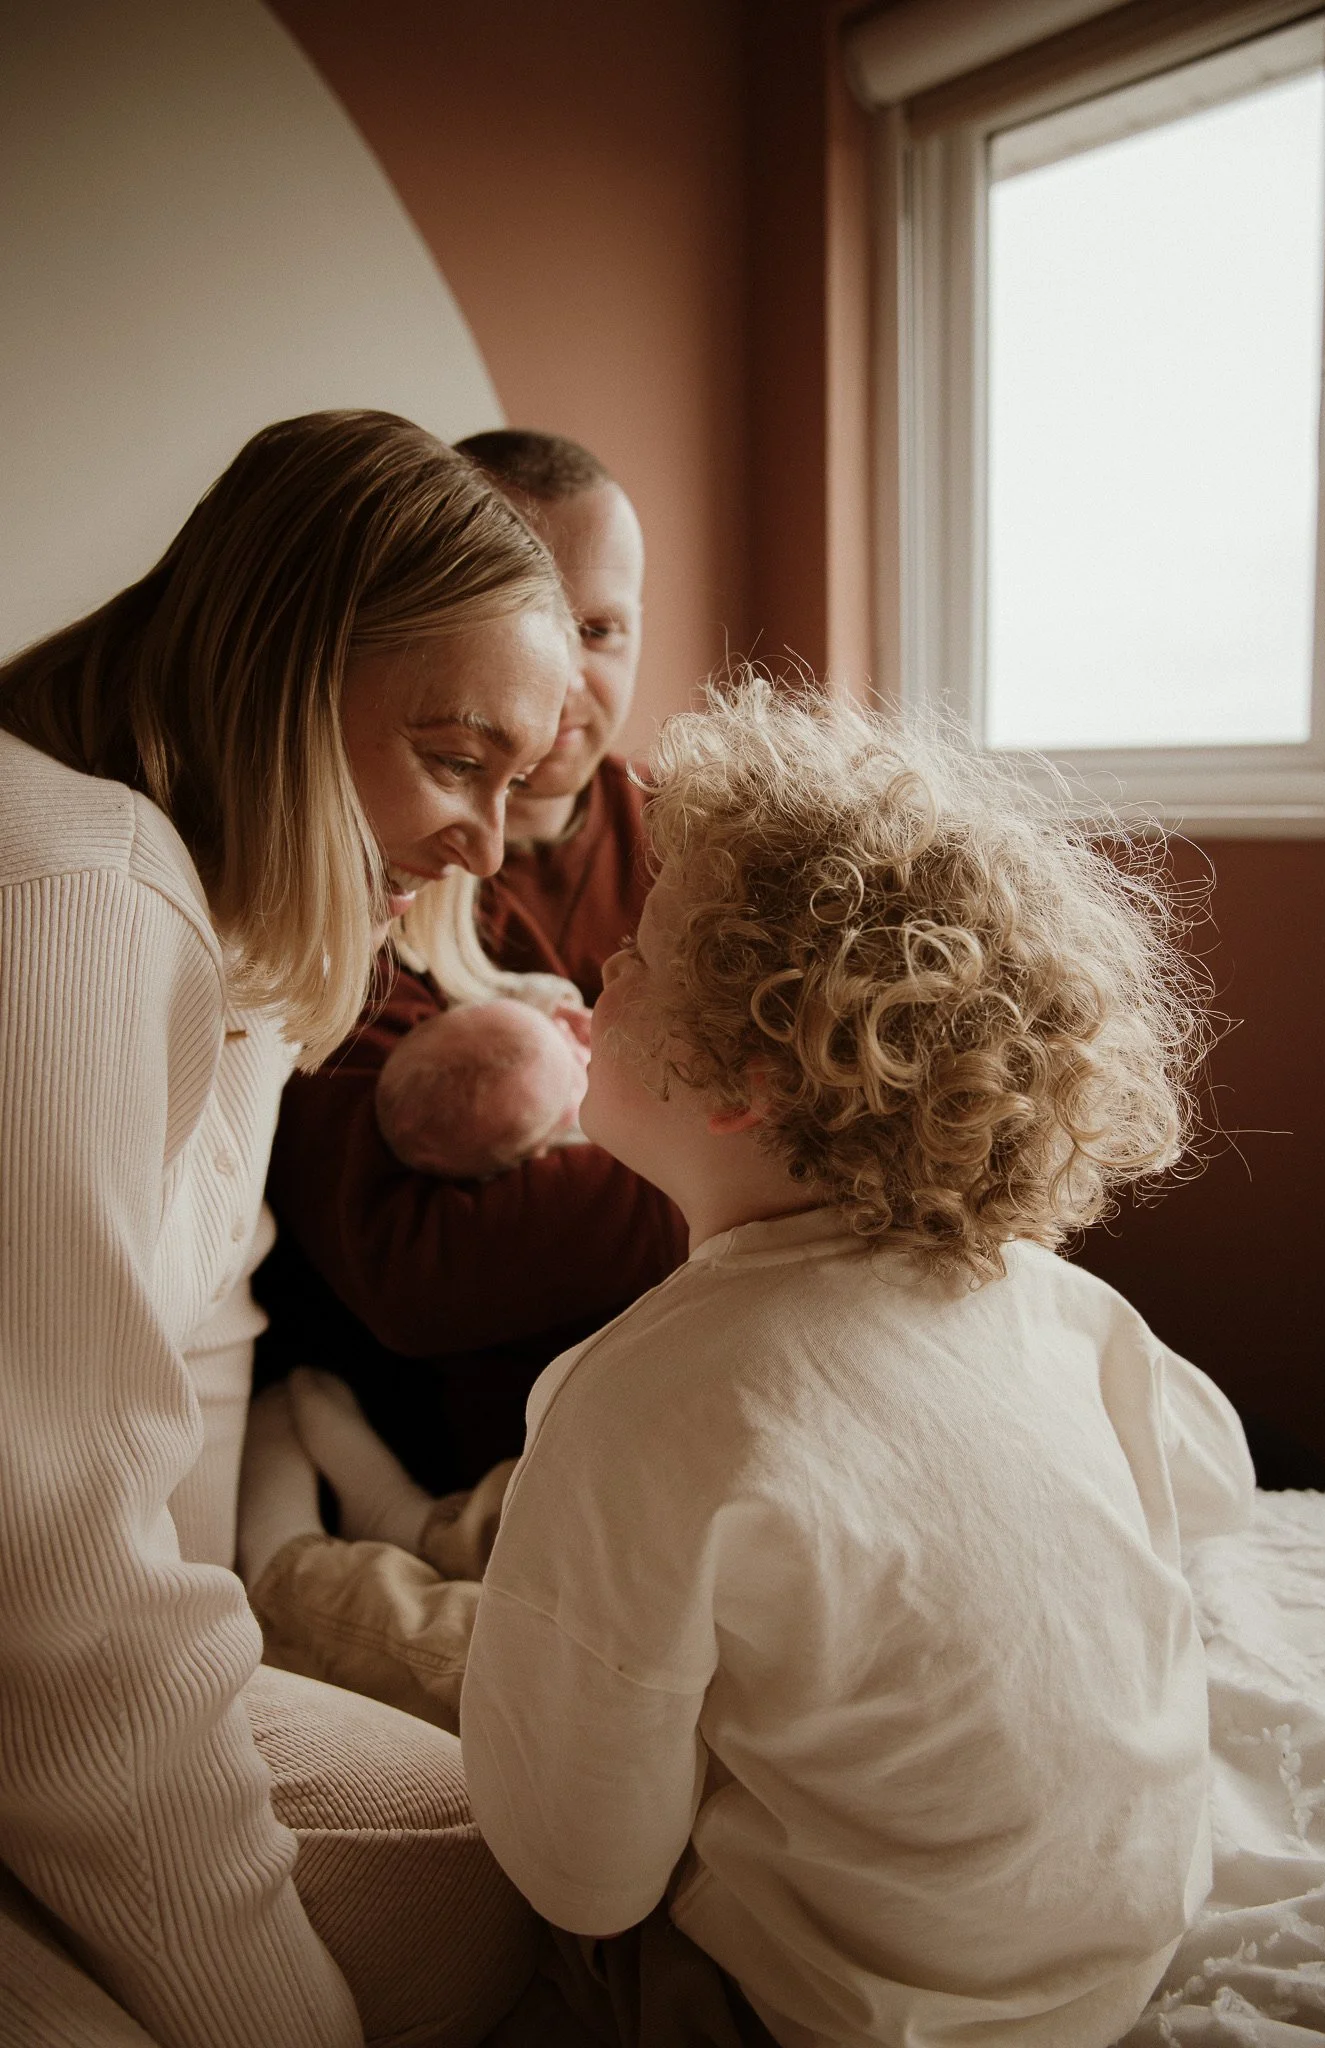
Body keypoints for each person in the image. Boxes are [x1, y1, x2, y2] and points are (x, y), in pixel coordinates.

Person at [238, 677, 1255, 2048]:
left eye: (638, 957)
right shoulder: (1057, 1307)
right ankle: (433, 1518)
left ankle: (291, 1558)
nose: (598, 973)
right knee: (702, 1555)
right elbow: (1213, 1499)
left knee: (491, 1655)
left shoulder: (649, 1392)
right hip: (1106, 1953)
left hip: (827, 2013)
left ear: (737, 1084)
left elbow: (584, 1881)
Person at [0, 410, 575, 2048]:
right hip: (20, 1620)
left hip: (36, 1632)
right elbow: (46, 1568)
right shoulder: (76, 895)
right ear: (278, 662)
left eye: (512, 779)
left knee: (483, 1860)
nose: (486, 837)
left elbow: (193, 1327)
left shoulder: (225, 907)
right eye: (455, 755)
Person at [257, 429, 685, 1492]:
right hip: (444, 1458)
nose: (569, 674)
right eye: (531, 616)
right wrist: (763, 1177)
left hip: (683, 1414)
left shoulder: (693, 848)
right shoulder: (372, 870)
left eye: (601, 628)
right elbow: (412, 1267)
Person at [375, 992, 590, 1178]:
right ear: (540, 1148)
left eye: (556, 1027)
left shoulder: (535, 1027)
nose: (567, 1033)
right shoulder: (584, 1140)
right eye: (575, 1066)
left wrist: (558, 1003)